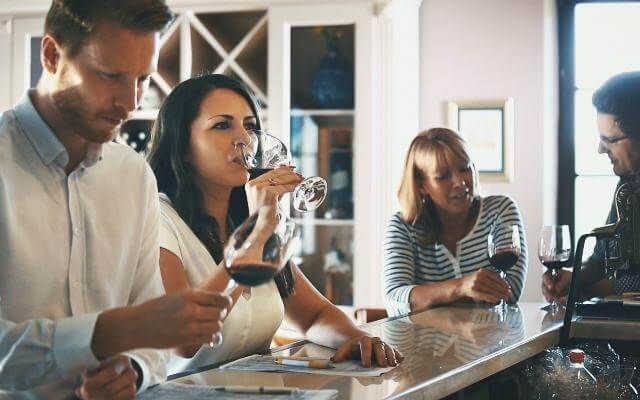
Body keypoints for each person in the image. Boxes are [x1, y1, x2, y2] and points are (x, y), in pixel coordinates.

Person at [0, 1, 230, 398]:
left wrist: (135, 369)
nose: (131, 101)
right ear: (52, 55)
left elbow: (154, 341)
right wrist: (116, 330)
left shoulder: (133, 176)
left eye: (142, 79)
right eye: (110, 75)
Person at [147, 73, 403, 374]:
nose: (244, 138)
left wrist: (358, 337)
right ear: (183, 146)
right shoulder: (158, 221)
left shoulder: (248, 219)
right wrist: (258, 231)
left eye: (251, 126)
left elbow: (313, 315)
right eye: (222, 125)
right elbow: (185, 340)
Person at [383, 128, 527, 315]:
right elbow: (395, 300)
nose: (460, 182)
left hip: (491, 341)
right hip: (424, 344)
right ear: (421, 185)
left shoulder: (500, 210)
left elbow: (508, 292)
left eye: (465, 168)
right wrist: (461, 287)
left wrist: (424, 299)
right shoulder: (402, 226)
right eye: (443, 176)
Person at [543, 71, 640, 303]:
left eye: (610, 140)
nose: (601, 149)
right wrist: (575, 278)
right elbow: (602, 257)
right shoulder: (627, 186)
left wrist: (590, 291)